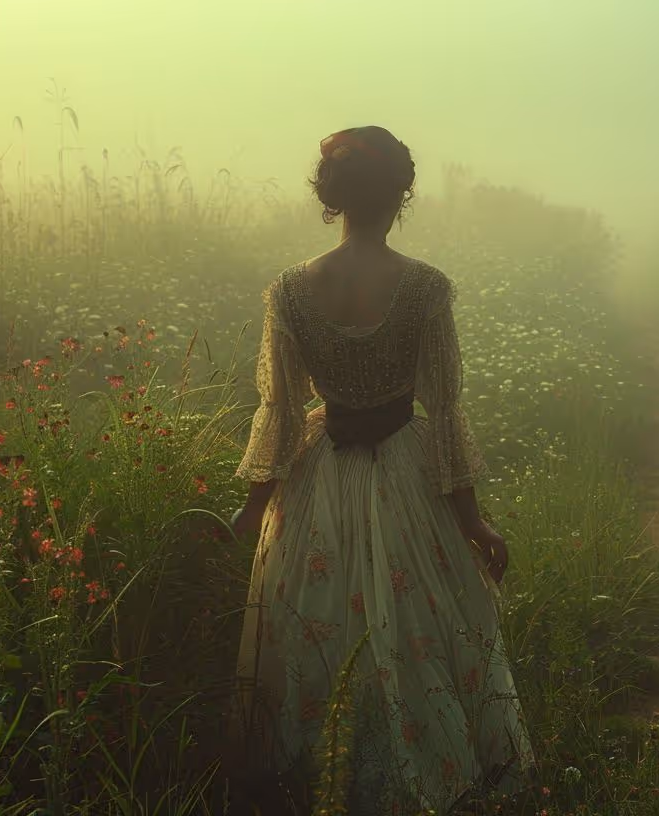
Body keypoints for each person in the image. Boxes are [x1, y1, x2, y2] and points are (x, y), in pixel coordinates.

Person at [228, 125, 533, 813]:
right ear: (401, 196)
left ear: (331, 198)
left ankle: (320, 766)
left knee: (325, 627)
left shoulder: (289, 291)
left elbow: (278, 411)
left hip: (320, 479)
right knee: (416, 625)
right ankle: (422, 766)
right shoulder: (425, 288)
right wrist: (473, 520)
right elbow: (446, 412)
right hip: (407, 473)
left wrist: (254, 506)